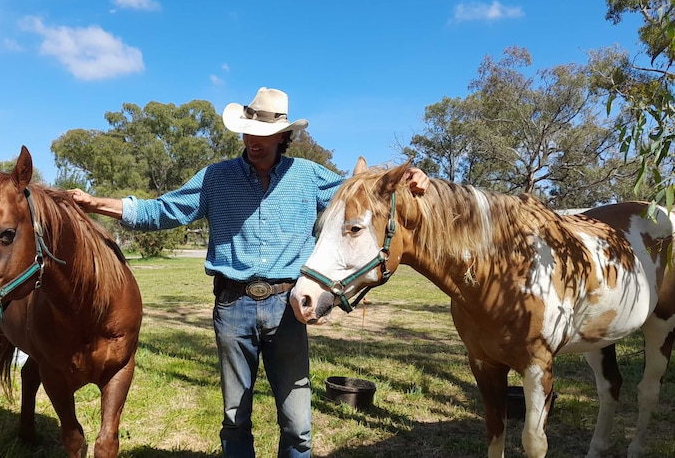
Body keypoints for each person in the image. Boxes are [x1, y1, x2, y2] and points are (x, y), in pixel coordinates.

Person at [69, 87, 429, 457]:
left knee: (298, 425)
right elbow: (160, 211)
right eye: (248, 133)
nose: (254, 141)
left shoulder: (310, 177)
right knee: (235, 419)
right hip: (232, 307)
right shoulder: (215, 178)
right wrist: (96, 203)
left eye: (264, 135)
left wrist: (411, 178)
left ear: (283, 136)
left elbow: (367, 191)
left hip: (288, 307)